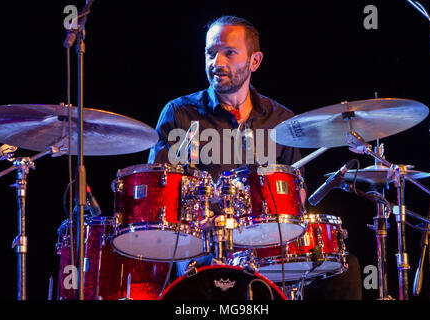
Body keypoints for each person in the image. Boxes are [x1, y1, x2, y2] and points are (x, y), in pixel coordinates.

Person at [149, 15, 362, 300]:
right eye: (210, 53)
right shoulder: (180, 114)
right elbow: (161, 193)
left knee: (345, 271)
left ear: (254, 61)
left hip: (265, 249)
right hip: (203, 250)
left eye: (229, 53)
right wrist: (199, 223)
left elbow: (295, 196)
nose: (217, 62)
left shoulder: (281, 121)